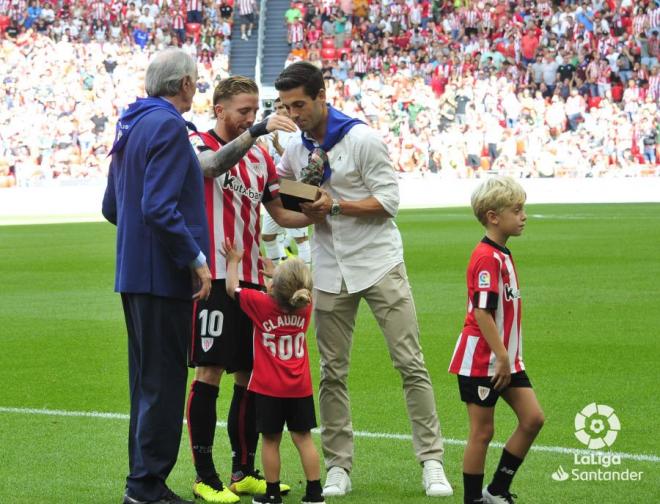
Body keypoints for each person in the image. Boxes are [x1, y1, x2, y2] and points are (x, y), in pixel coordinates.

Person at [274, 62, 453, 498]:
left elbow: (389, 202)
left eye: (300, 104)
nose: (294, 114)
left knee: (410, 364)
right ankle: (338, 466)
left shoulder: (361, 139)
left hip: (379, 264)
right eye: (287, 106)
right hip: (329, 269)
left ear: (321, 96)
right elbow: (285, 200)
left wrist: (335, 207)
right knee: (332, 372)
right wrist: (304, 211)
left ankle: (432, 461)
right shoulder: (295, 152)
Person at [186, 75, 316, 504]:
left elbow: (282, 209)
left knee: (249, 375)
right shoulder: (197, 140)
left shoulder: (260, 157)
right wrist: (257, 130)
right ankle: (206, 475)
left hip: (250, 280)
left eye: (254, 110)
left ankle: (242, 469)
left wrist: (321, 199)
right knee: (210, 373)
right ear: (218, 109)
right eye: (242, 110)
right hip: (211, 277)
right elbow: (211, 168)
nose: (249, 116)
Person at [102, 48, 211, 504]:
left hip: (134, 273)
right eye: (196, 81)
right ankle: (147, 485)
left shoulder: (132, 123)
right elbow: (160, 208)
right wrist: (195, 259)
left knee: (147, 383)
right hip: (162, 277)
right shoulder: (168, 126)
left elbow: (112, 206)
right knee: (164, 384)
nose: (196, 88)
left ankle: (141, 482)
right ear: (184, 83)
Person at [448, 176, 545, 504]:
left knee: (533, 419)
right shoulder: (486, 257)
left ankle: (497, 490)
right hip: (484, 360)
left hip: (505, 359)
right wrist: (502, 356)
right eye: (516, 210)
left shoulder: (501, 254)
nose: (523, 216)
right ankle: (474, 499)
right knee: (482, 431)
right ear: (493, 216)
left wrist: (507, 357)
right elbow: (483, 313)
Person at [221, 239, 324, 504]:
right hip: (300, 387)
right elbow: (290, 291)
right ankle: (315, 493)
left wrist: (233, 261)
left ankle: (272, 493)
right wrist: (276, 276)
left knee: (270, 440)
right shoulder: (305, 306)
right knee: (304, 439)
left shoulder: (261, 304)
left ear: (274, 287)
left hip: (268, 388)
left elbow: (232, 288)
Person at [259, 97, 311, 265]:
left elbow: (297, 165)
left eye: (282, 107)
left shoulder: (298, 132)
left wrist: (278, 148)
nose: (279, 111)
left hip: (295, 188)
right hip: (276, 188)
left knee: (301, 238)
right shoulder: (273, 130)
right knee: (267, 236)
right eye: (276, 108)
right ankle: (277, 274)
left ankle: (305, 278)